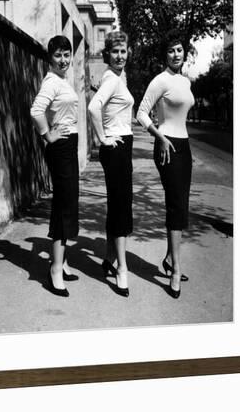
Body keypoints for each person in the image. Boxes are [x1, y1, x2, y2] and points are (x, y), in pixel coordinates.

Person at [136, 32, 194, 299]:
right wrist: (159, 136)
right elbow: (141, 112)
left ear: (185, 52)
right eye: (171, 51)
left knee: (181, 204)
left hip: (184, 146)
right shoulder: (160, 80)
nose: (176, 55)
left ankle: (170, 259)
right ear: (165, 55)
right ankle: (175, 270)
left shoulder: (185, 81)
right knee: (175, 204)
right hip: (166, 145)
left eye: (180, 50)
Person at [30, 35, 79, 297]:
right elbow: (36, 111)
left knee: (68, 204)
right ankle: (55, 270)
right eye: (58, 55)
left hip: (68, 145)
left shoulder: (62, 80)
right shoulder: (51, 81)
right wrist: (48, 135)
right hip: (60, 148)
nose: (63, 59)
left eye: (66, 54)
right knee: (63, 206)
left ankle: (62, 260)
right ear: (50, 57)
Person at [88, 30, 134, 297]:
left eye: (123, 51)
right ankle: (122, 269)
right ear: (108, 54)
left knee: (119, 204)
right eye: (115, 51)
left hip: (121, 146)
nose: (120, 56)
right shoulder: (111, 79)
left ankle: (108, 258)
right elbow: (94, 107)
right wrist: (103, 139)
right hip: (115, 147)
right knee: (120, 208)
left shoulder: (118, 77)